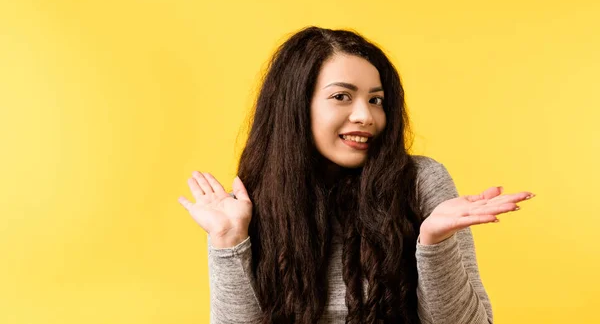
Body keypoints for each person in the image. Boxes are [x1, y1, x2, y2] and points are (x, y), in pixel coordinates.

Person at [178, 26, 535, 324]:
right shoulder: (250, 200)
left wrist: (434, 243)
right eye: (342, 97)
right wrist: (227, 238)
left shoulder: (421, 180)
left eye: (376, 100)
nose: (365, 116)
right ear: (295, 107)